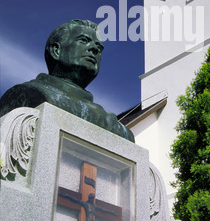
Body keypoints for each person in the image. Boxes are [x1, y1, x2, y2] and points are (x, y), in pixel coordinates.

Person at [0, 19, 134, 142]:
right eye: (83, 40)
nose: (94, 49)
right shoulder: (25, 95)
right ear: (56, 50)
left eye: (99, 48)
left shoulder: (111, 123)